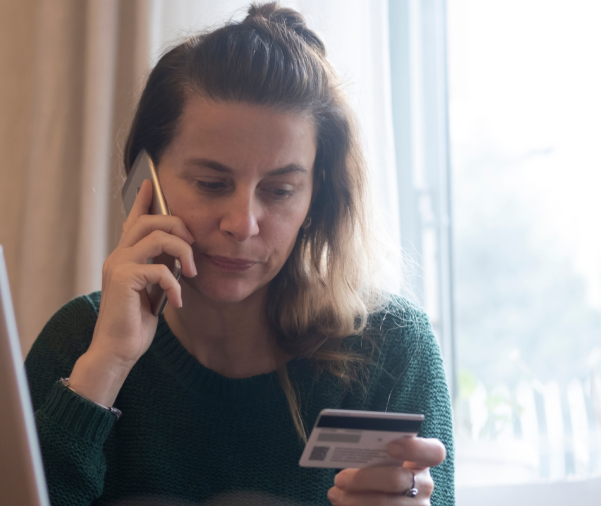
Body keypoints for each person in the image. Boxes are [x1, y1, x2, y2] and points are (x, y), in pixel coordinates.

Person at [25, 3, 454, 505]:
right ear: (145, 183)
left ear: (317, 197)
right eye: (211, 183)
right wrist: (106, 367)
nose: (242, 224)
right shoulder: (79, 342)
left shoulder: (388, 351)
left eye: (280, 191)